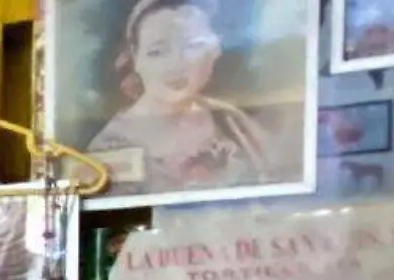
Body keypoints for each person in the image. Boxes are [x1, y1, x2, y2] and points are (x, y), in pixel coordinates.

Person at [87, 0, 283, 197]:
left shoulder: (231, 122)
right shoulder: (109, 147)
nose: (176, 65)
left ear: (215, 51)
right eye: (157, 52)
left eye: (192, 46)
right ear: (135, 59)